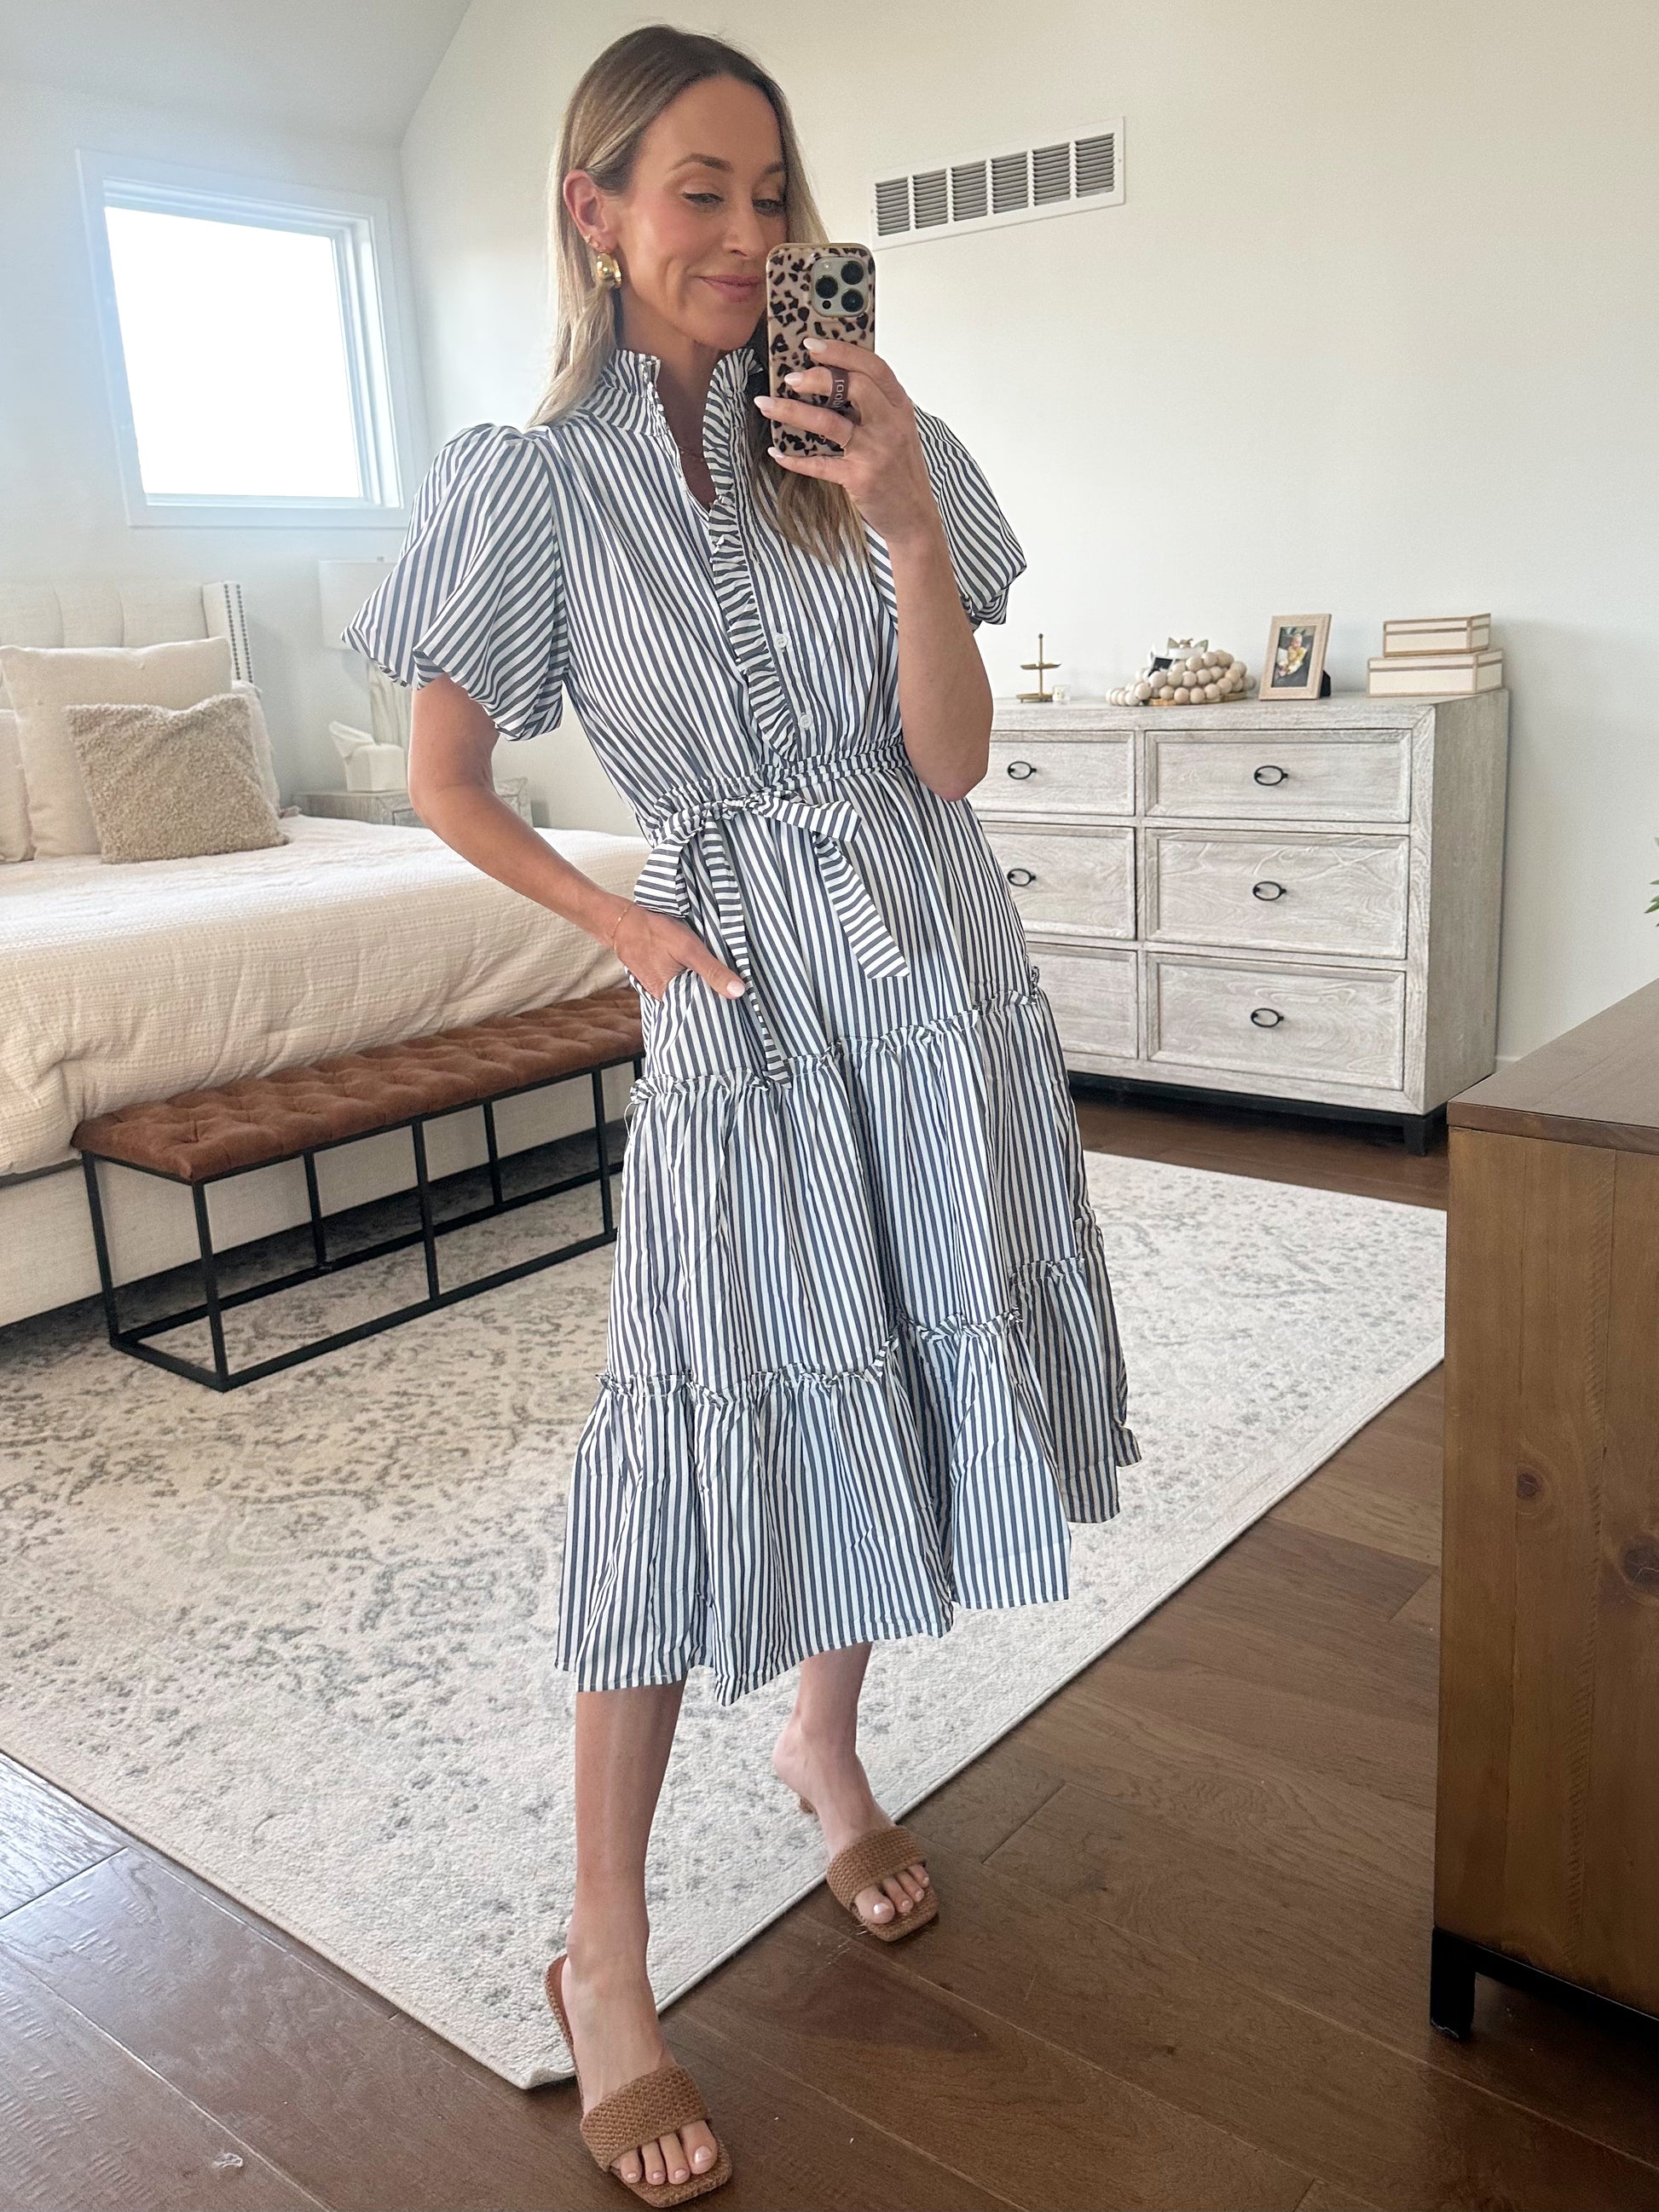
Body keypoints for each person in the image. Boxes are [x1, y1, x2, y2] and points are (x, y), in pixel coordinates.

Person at [345, 23, 1141, 2204]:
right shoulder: (520, 483)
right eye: (697, 190)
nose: (744, 234)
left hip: (935, 966)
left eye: (771, 194)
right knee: (687, 1420)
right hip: (735, 982)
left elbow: (951, 759)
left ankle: (822, 1741)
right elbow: (445, 780)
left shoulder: (871, 434)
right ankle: (602, 1957)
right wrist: (627, 927)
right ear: (595, 212)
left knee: (886, 1356)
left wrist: (902, 521)